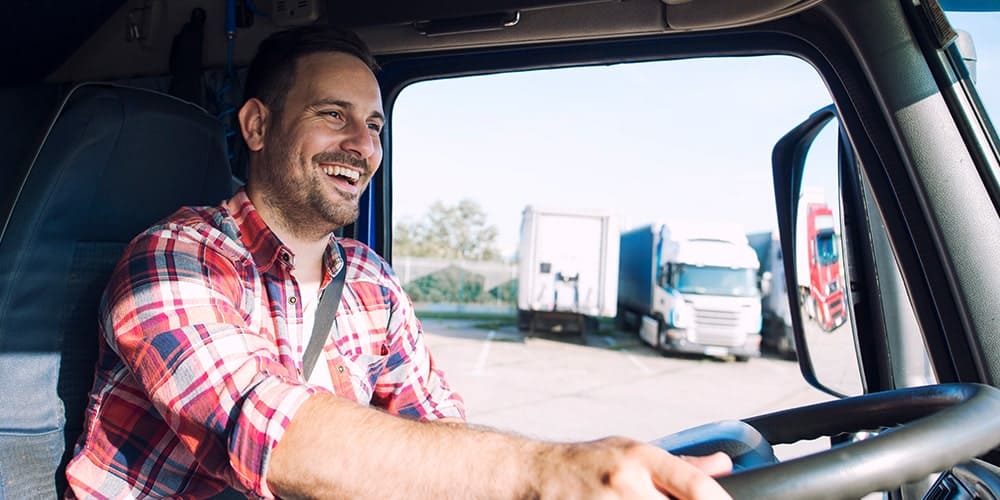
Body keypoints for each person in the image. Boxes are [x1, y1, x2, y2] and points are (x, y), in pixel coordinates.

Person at [65, 24, 733, 499]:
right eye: (334, 115)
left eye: (376, 126)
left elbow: (434, 427)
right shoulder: (173, 260)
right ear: (258, 127)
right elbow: (264, 426)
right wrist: (542, 473)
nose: (362, 145)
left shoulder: (371, 283)